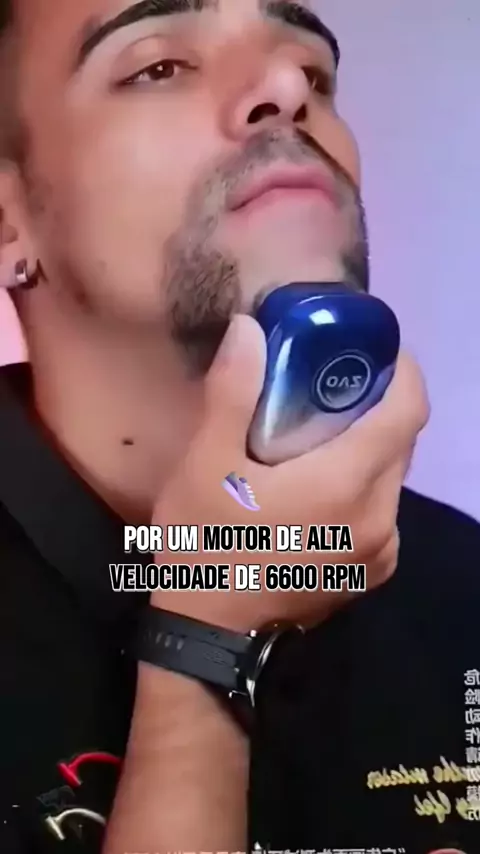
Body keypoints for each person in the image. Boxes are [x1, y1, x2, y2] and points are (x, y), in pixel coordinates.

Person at [0, 0, 478, 851]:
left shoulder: (463, 589)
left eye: (316, 72)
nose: (289, 86)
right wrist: (206, 635)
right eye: (158, 66)